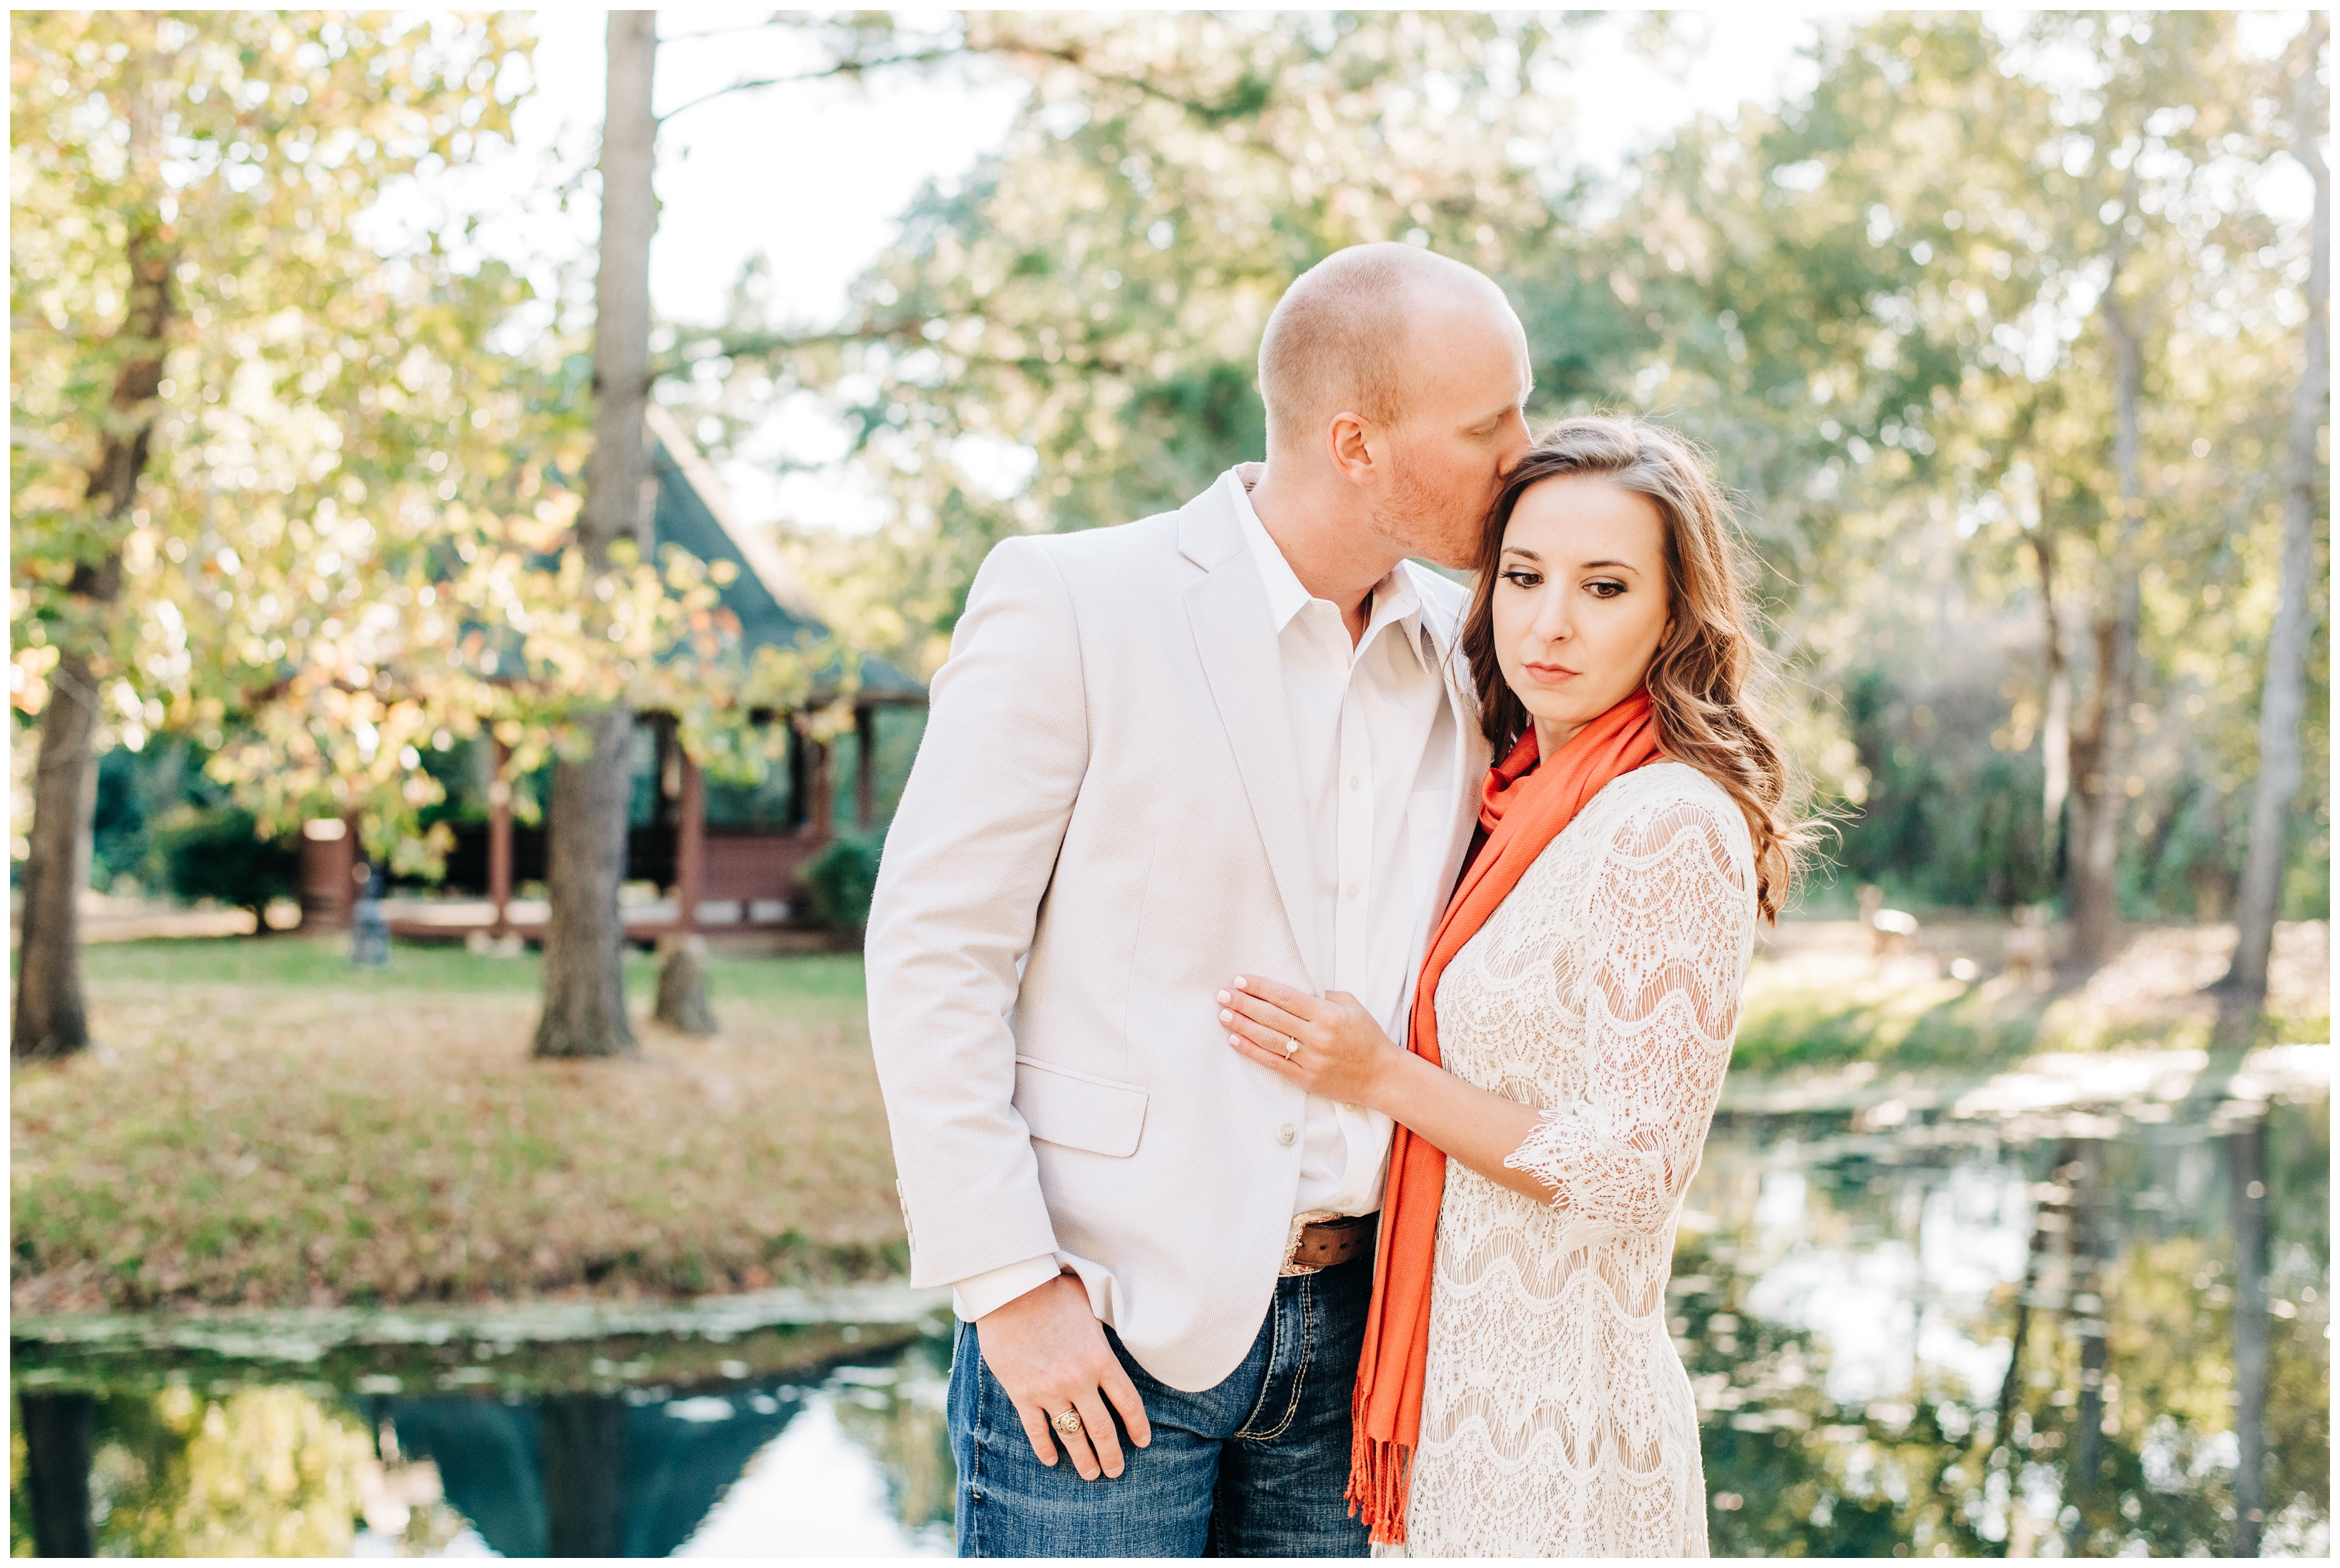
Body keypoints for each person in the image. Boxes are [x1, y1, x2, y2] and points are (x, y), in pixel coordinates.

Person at [865, 242, 1531, 1556]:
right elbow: (934, 955)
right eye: (1487, 424)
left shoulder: (1475, 652)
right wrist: (1008, 1287)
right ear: (1354, 442)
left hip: (1366, 1347)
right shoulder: (1072, 600)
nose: (1526, 451)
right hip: (1103, 1333)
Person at [1217, 416, 1803, 1556]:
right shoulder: (1525, 795)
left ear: (1674, 614)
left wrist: (1381, 1075)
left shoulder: (1666, 820)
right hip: (1463, 1402)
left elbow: (1634, 1171)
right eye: (1523, 576)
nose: (1551, 621)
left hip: (1560, 1426)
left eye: (1606, 586)